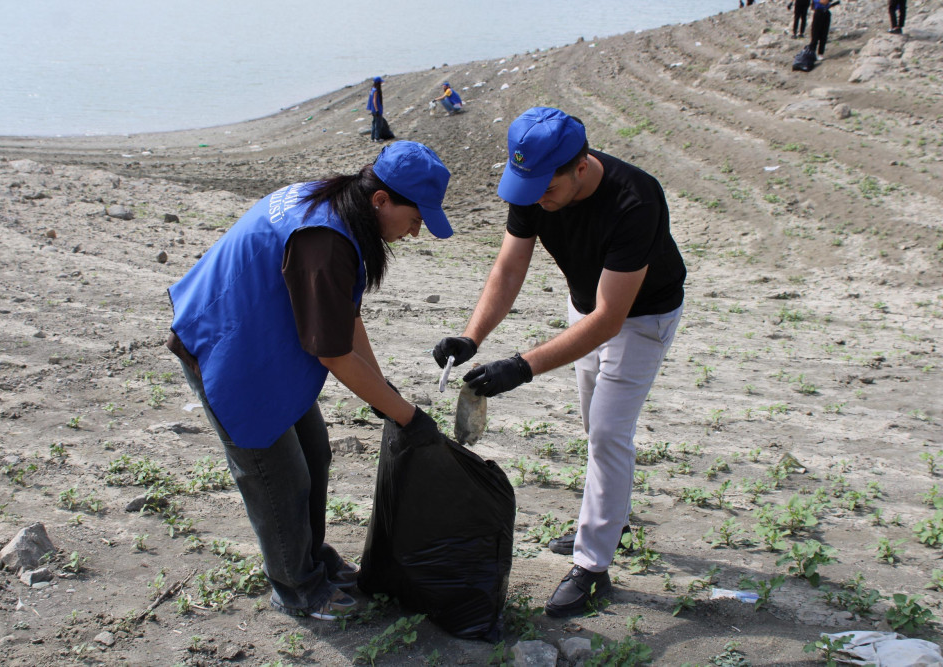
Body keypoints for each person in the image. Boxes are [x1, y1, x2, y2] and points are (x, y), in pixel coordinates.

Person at [166, 141, 452, 621]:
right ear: (380, 200)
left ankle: (310, 558)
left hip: (263, 341)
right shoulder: (325, 240)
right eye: (417, 215)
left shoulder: (341, 211)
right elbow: (335, 353)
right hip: (227, 349)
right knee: (276, 475)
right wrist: (407, 415)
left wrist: (386, 394)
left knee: (315, 450)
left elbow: (345, 318)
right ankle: (296, 587)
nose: (418, 228)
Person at [433, 108, 685, 617]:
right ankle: (610, 517)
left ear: (582, 166)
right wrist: (472, 337)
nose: (537, 200)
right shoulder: (534, 186)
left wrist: (522, 367)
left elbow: (611, 320)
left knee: (609, 433)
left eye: (547, 188)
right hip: (588, 305)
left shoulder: (636, 199)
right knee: (595, 424)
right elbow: (509, 268)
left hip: (641, 316)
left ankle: (593, 568)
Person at [367, 76, 385, 142]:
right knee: (378, 124)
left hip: (372, 109)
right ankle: (377, 138)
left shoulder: (372, 89)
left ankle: (372, 137)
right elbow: (374, 100)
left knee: (374, 123)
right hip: (376, 109)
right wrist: (377, 109)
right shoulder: (376, 91)